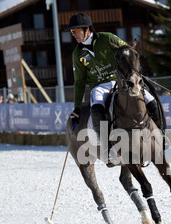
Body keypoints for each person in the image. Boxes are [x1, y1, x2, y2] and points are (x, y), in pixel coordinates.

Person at [67, 13, 163, 166]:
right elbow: (79, 81)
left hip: (121, 79)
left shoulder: (107, 38)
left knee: (150, 99)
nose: (73, 35)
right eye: (71, 32)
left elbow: (128, 52)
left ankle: (162, 136)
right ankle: (108, 149)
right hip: (99, 86)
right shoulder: (77, 54)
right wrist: (77, 107)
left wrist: (133, 72)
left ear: (86, 29)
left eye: (75, 31)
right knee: (97, 108)